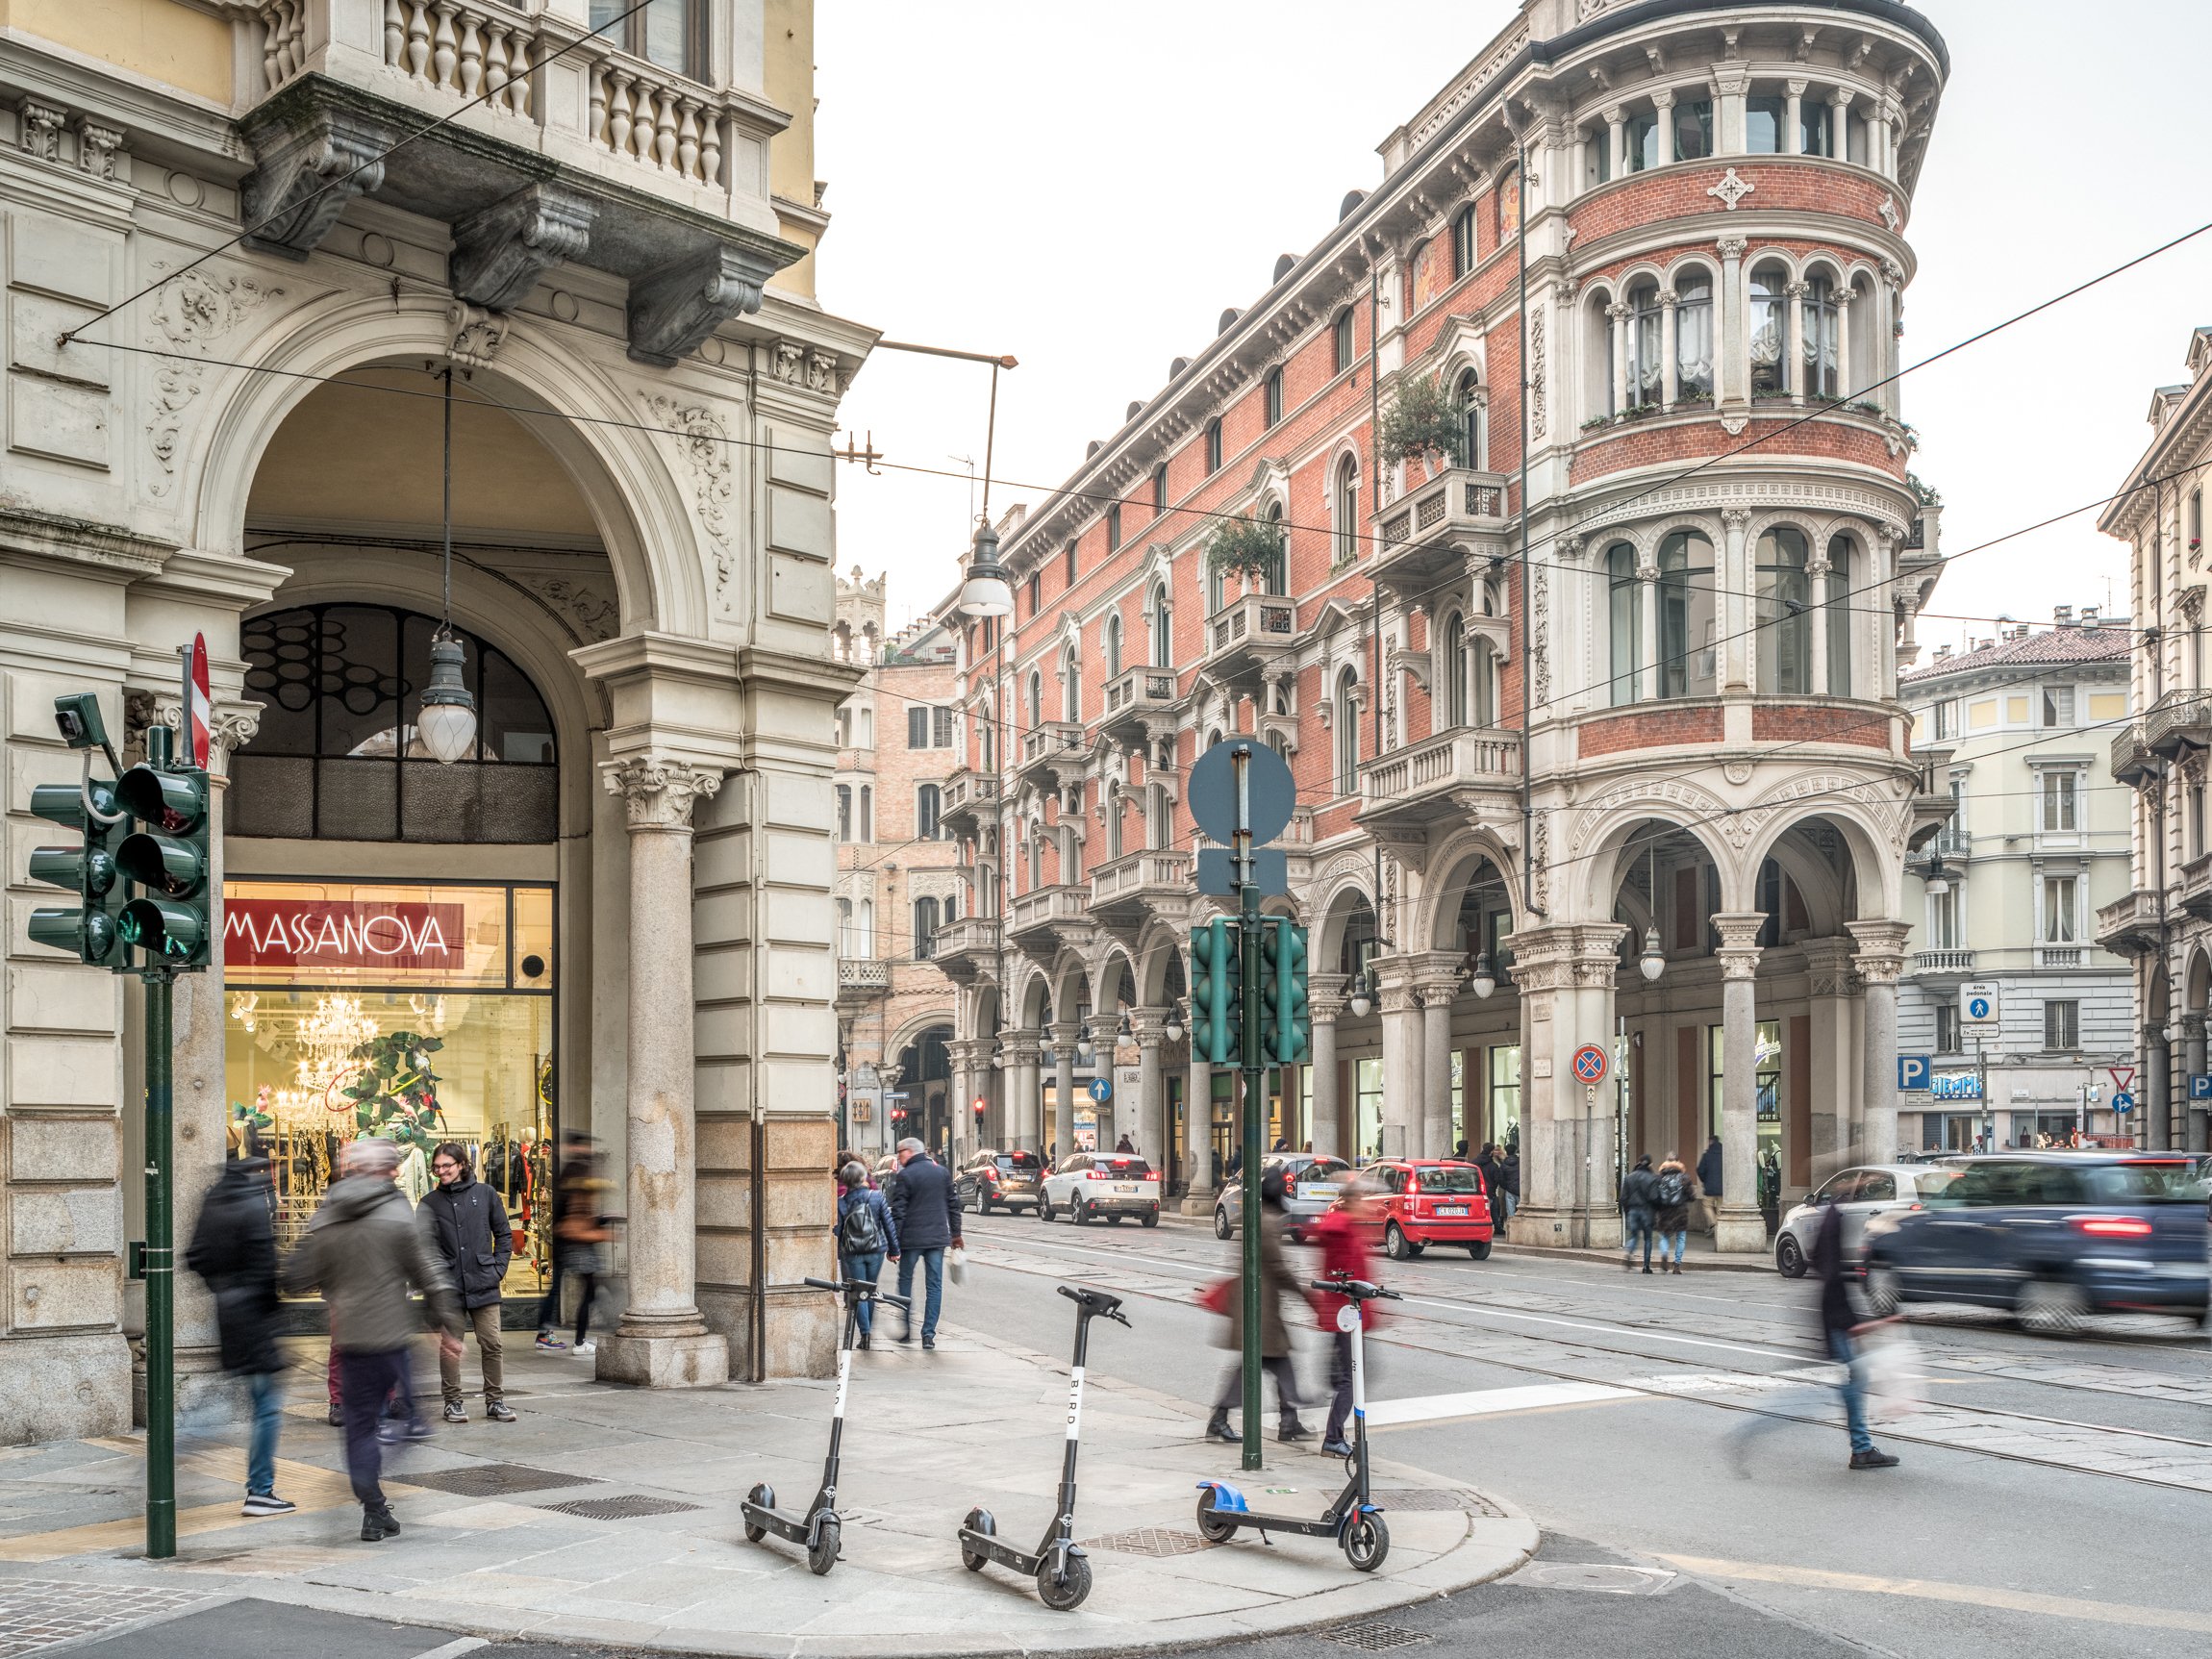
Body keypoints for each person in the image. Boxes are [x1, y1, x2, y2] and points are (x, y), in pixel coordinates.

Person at [285, 1137, 463, 1542]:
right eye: (395, 1166)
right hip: (391, 1338)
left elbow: (297, 1276)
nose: (400, 1171)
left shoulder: (329, 1212)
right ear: (384, 1170)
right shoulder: (397, 1210)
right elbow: (428, 1271)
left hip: (350, 1341)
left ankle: (373, 1508)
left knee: (359, 1429)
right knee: (413, 1419)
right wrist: (448, 1324)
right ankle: (399, 1447)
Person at [185, 1154, 295, 1516]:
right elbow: (265, 1266)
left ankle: (176, 1446)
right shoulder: (252, 1204)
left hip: (228, 1311)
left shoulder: (215, 1200)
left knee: (228, 1392)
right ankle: (260, 1491)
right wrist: (273, 1313)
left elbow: (195, 1256)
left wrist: (222, 1287)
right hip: (255, 1318)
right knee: (266, 1407)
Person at [1206, 1168, 1312, 1444]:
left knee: (1274, 1362)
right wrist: (1305, 1295)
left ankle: (1288, 1419)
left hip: (1259, 1305)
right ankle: (1222, 1418)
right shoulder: (1265, 1223)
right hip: (1258, 1307)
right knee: (1258, 1364)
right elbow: (1278, 1268)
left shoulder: (1260, 1217)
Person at [419, 1142, 516, 1423]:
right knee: (450, 1346)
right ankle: (452, 1402)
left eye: (446, 1166)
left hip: (484, 1281)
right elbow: (424, 1248)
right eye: (436, 1167)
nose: (441, 1172)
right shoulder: (429, 1203)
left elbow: (504, 1235)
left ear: (461, 1164)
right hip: (449, 1288)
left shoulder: (486, 1194)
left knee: (492, 1343)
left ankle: (495, 1400)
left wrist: (498, 1269)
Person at [1811, 1190, 1899, 1470]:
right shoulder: (1834, 1220)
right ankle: (1861, 1449)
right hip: (1835, 1318)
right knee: (1850, 1383)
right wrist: (1856, 1322)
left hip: (1834, 1317)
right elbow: (1833, 1280)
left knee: (1855, 1378)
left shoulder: (1830, 1218)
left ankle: (1862, 1448)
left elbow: (1821, 1266)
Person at [1308, 1172, 1380, 1456]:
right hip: (1348, 1313)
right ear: (1352, 1200)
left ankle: (1333, 1429)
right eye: (1362, 1198)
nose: (1365, 1204)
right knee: (1353, 1378)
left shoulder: (1342, 1227)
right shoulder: (1344, 1230)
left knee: (1349, 1375)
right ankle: (1333, 1437)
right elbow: (1352, 1277)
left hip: (1345, 1313)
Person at [887, 1136, 960, 1350]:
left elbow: (898, 1212)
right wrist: (956, 1234)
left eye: (900, 1153)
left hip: (911, 1240)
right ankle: (928, 1334)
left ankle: (907, 1330)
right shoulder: (942, 1172)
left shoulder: (906, 1175)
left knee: (905, 1282)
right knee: (934, 1285)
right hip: (937, 1239)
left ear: (910, 1151)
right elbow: (953, 1205)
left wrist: (894, 1244)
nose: (899, 1157)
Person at [552, 1151, 615, 1358]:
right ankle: (580, 1341)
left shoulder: (581, 1194)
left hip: (582, 1251)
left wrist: (600, 1223)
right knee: (592, 1293)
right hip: (581, 1252)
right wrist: (601, 1233)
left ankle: (582, 1339)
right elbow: (574, 1227)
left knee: (592, 1292)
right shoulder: (578, 1195)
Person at [535, 1130, 593, 1352]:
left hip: (566, 1239)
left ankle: (548, 1332)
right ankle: (571, 1339)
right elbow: (573, 1208)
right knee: (584, 1290)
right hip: (571, 1241)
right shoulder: (574, 1171)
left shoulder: (570, 1169)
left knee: (561, 1287)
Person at [836, 1161, 898, 1349]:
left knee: (859, 1293)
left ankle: (865, 1334)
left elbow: (839, 1231)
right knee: (870, 1291)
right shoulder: (876, 1197)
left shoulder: (841, 1202)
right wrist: (894, 1250)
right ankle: (869, 1328)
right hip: (875, 1251)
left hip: (853, 1253)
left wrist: (841, 1254)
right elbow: (889, 1225)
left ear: (846, 1181)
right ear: (863, 1177)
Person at [1653, 1152, 1696, 1273]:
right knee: (1681, 1238)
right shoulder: (1684, 1178)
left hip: (1665, 1212)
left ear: (1666, 1162)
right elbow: (1692, 1197)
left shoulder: (1659, 1178)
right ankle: (1677, 1265)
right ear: (1678, 1162)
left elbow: (1655, 1197)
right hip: (1680, 1211)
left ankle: (1664, 1255)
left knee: (1664, 1237)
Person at [1620, 1154, 1659, 1273]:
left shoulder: (1629, 1177)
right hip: (1647, 1211)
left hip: (1633, 1210)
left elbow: (1623, 1198)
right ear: (1650, 1164)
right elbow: (1654, 1197)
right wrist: (1656, 1210)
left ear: (1639, 1162)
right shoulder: (1652, 1178)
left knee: (1633, 1235)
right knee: (1648, 1239)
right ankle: (1646, 1266)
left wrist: (1627, 1210)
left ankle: (1629, 1252)